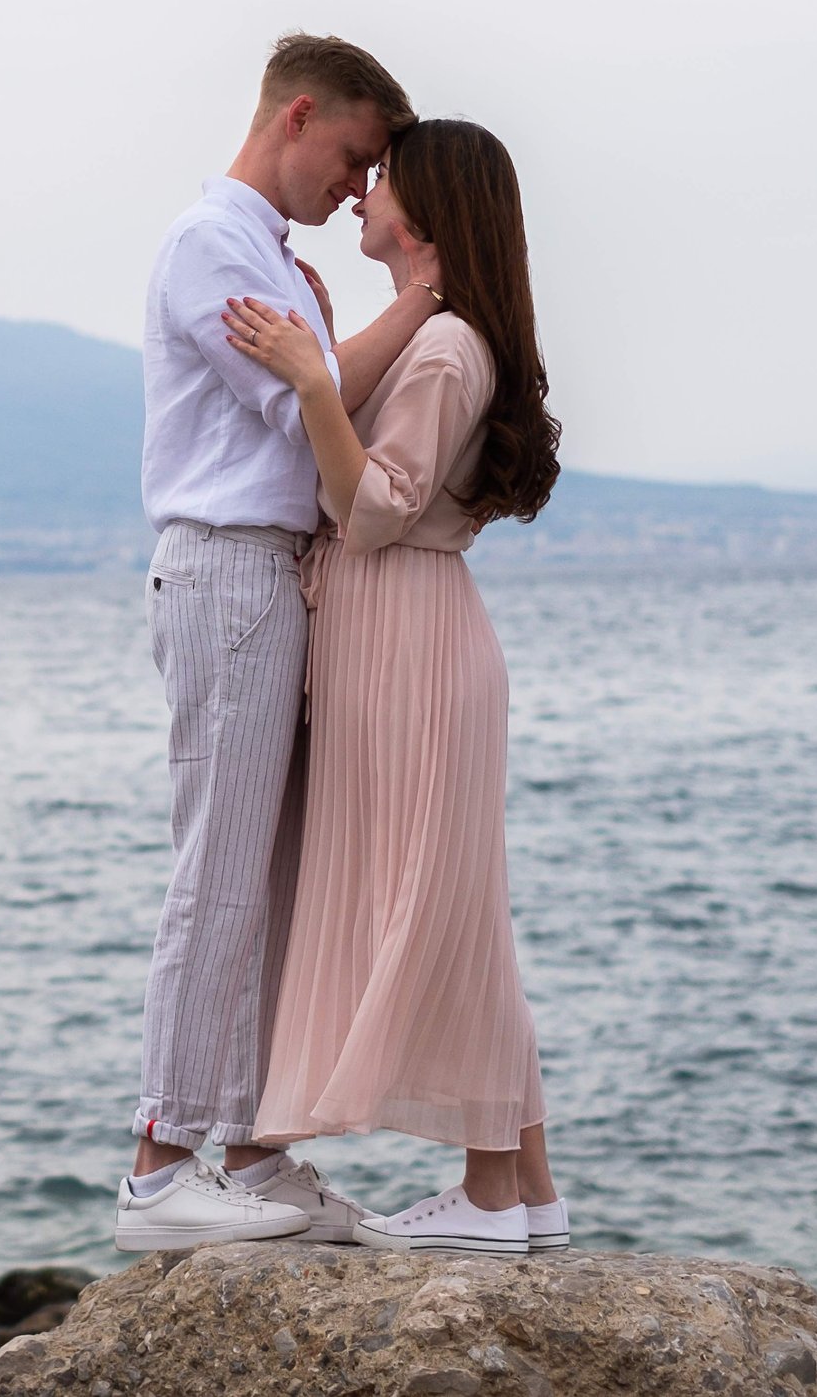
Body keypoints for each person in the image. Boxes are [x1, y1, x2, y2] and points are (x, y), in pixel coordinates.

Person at [114, 34, 443, 1252]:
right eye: (354, 158)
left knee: (275, 880)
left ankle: (252, 1146)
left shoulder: (277, 262)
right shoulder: (213, 244)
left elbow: (322, 392)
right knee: (219, 870)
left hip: (274, 576)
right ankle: (160, 1162)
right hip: (227, 568)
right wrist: (417, 299)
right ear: (298, 115)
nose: (358, 190)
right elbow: (312, 399)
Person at [227, 117, 568, 1256]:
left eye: (382, 179)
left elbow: (372, 504)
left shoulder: (445, 350)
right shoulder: (437, 334)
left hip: (409, 641)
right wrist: (328, 349)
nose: (362, 192)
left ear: (422, 208)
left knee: (444, 906)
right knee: (453, 902)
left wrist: (308, 384)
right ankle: (522, 1185)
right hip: (406, 634)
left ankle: (488, 1191)